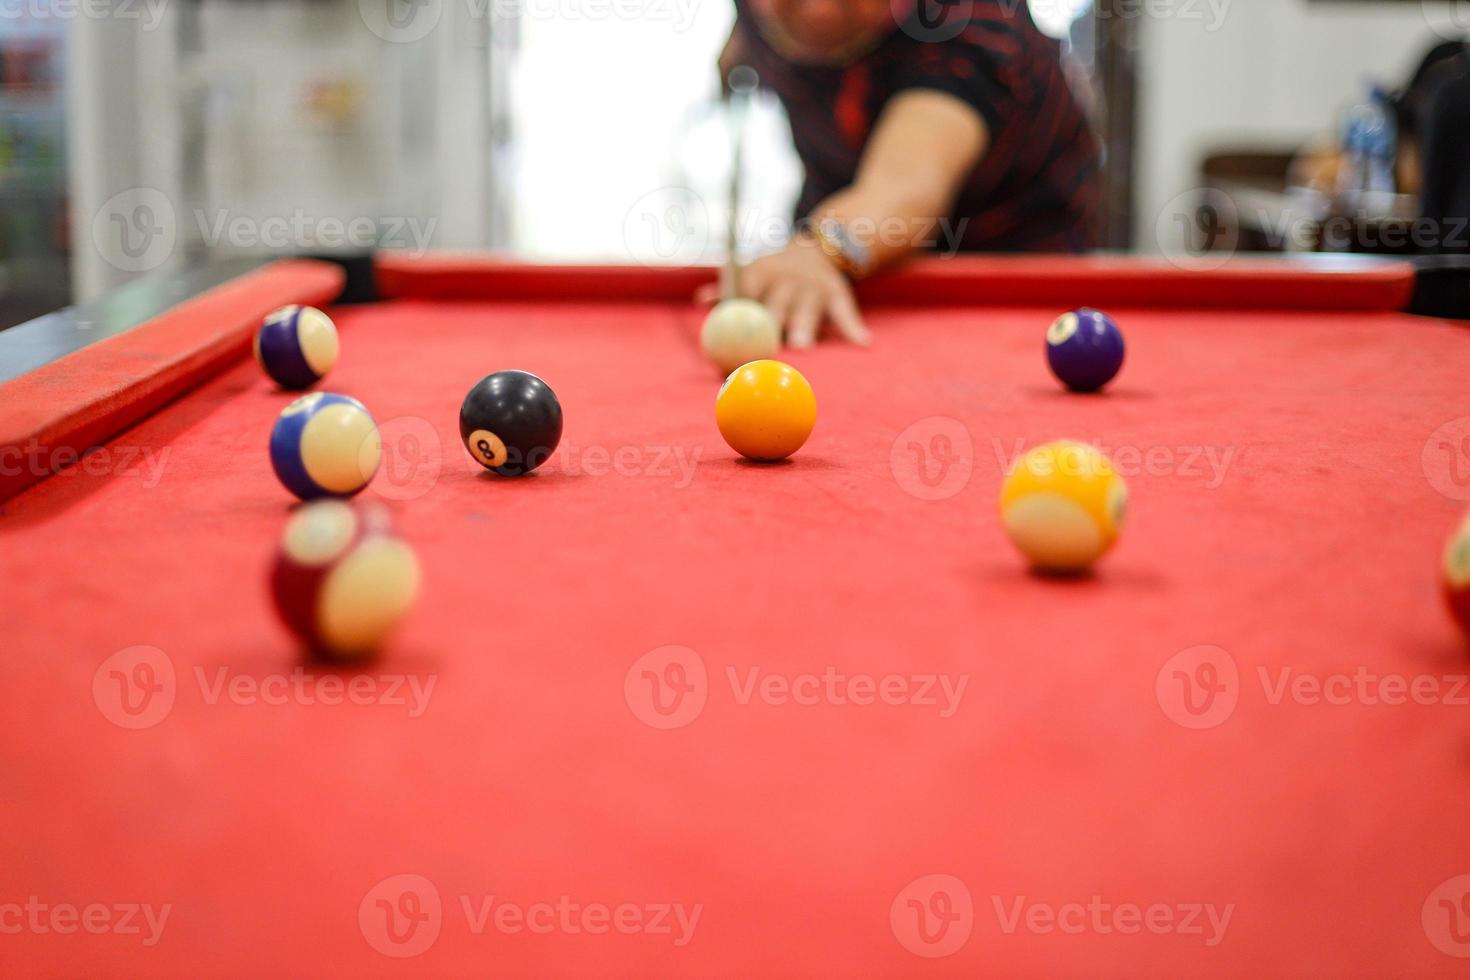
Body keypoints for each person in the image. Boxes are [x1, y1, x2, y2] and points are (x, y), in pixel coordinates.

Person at [703, 0, 1100, 347]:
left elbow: (906, 186)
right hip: (837, 230)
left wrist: (821, 248)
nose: (820, 7)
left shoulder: (971, 17)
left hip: (1015, 274)